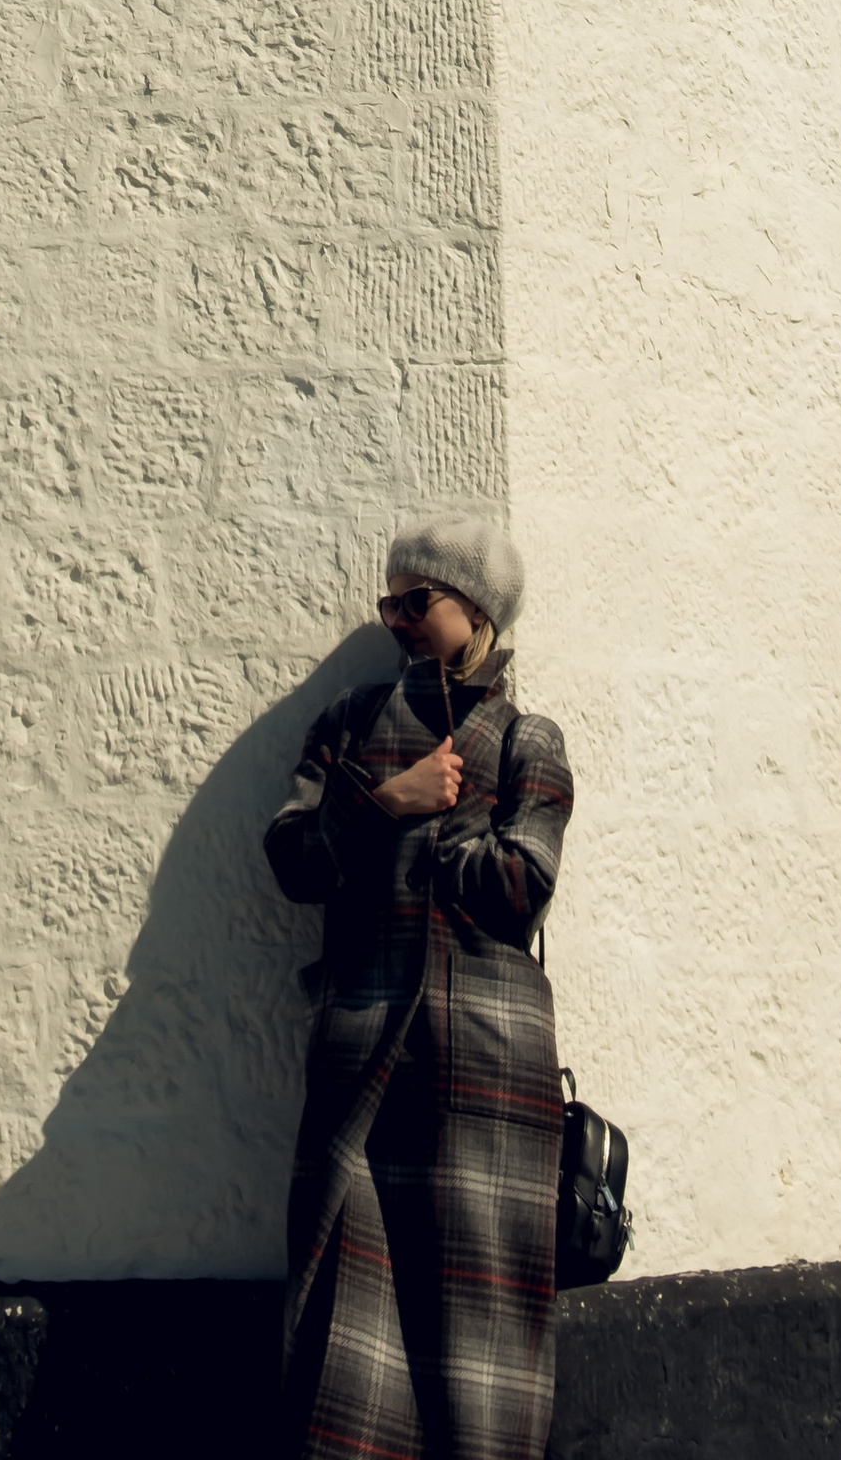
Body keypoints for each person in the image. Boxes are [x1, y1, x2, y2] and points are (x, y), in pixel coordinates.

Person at [264, 511, 574, 1460]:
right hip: (359, 1060)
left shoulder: (527, 738)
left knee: (483, 1335)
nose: (396, 619)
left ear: (475, 609)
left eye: (418, 600)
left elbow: (522, 886)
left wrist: (433, 840)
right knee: (341, 1325)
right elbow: (292, 859)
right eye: (389, 601)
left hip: (488, 1073)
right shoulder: (349, 722)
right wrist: (385, 802)